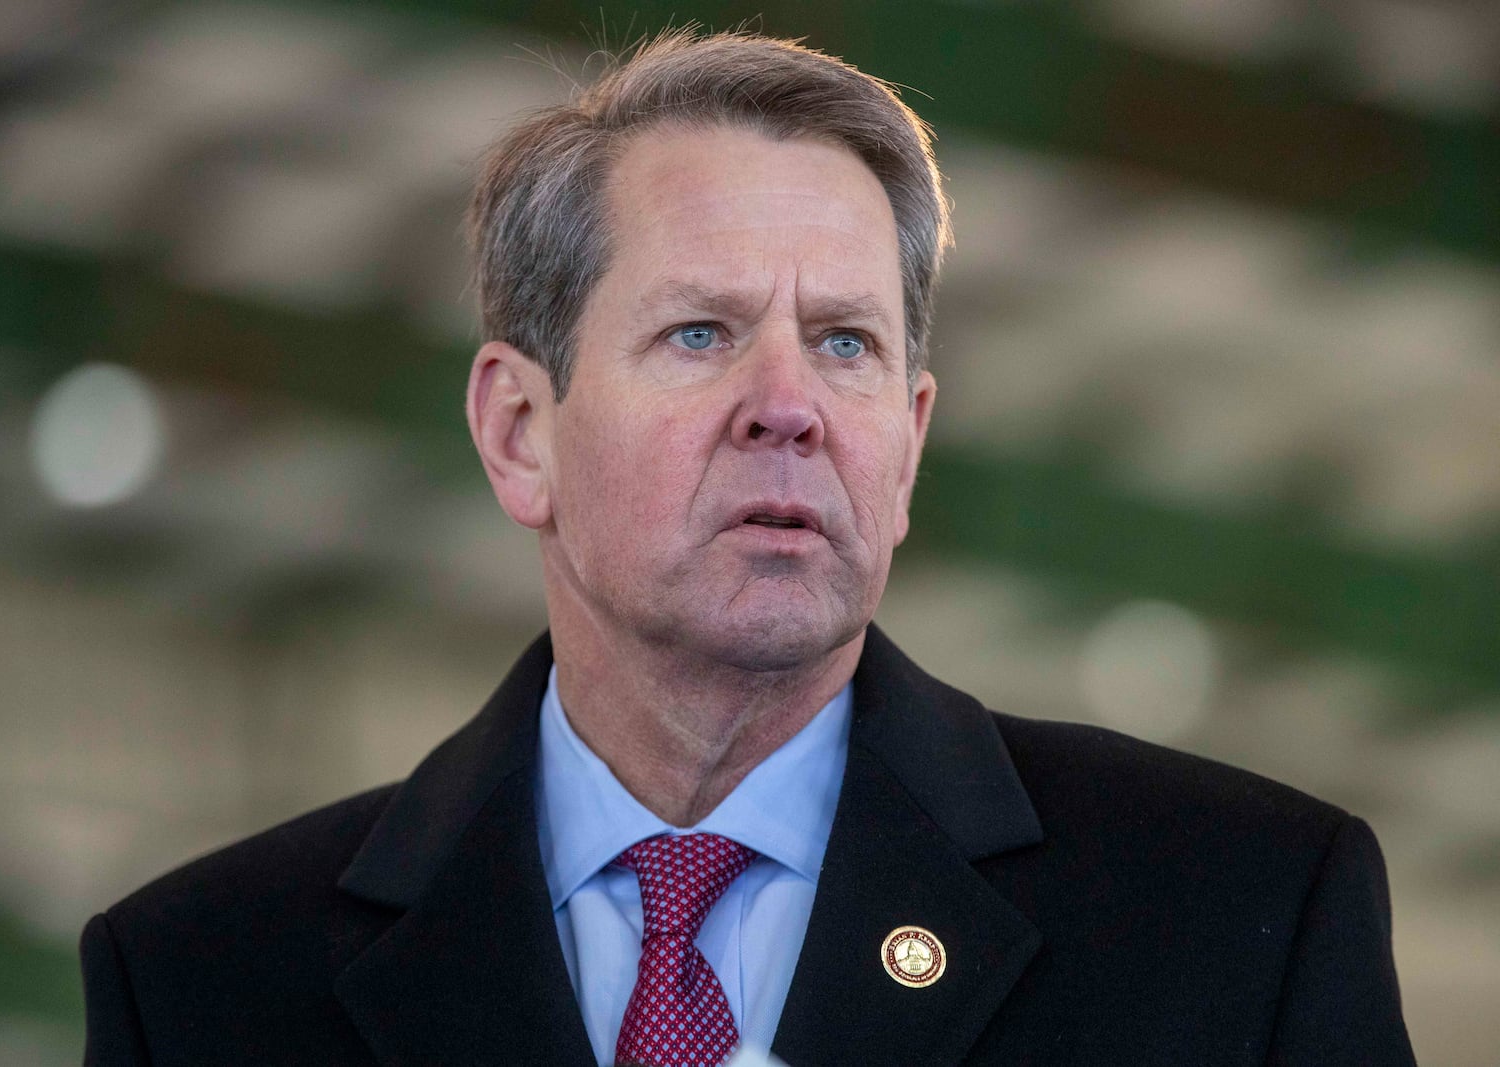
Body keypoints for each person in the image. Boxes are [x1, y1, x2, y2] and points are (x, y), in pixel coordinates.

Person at [79, 30, 1416, 1067]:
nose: (788, 406)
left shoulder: (1236, 915)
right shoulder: (206, 981)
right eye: (701, 333)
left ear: (909, 439)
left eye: (846, 343)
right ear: (517, 432)